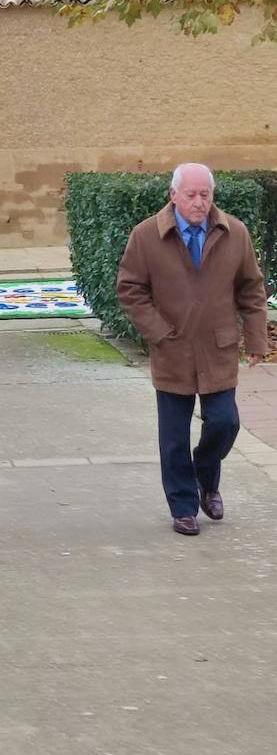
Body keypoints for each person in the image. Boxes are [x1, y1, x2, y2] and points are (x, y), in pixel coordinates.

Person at [117, 163, 267, 536]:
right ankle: (183, 506)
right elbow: (130, 289)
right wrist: (158, 332)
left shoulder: (235, 233)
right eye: (191, 195)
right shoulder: (147, 235)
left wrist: (256, 339)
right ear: (173, 195)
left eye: (206, 195)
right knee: (173, 438)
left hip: (218, 347)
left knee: (225, 422)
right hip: (172, 349)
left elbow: (251, 289)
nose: (200, 203)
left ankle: (206, 475)